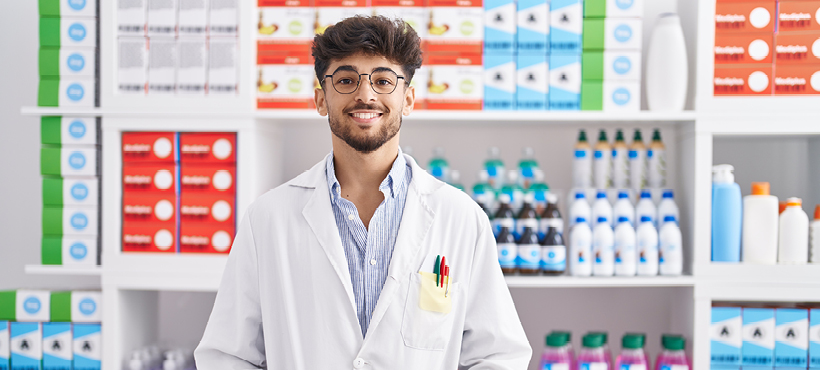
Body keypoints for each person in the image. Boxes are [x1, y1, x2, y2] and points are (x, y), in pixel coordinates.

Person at [194, 15, 531, 369]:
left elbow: (498, 357)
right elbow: (227, 357)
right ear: (321, 100)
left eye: (384, 80)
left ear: (409, 100)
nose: (365, 94)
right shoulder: (267, 220)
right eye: (346, 80)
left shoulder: (461, 219)